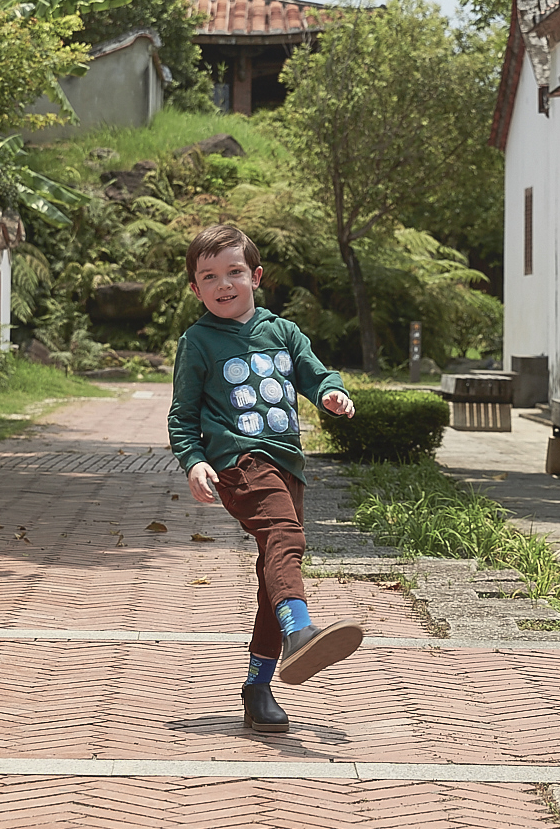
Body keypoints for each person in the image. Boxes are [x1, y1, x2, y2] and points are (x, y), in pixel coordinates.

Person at [168, 224, 363, 733]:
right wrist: (194, 460)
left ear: (256, 276)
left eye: (234, 272)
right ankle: (300, 630)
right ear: (195, 288)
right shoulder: (198, 341)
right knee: (285, 537)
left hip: (288, 463)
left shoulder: (284, 332)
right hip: (240, 463)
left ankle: (258, 686)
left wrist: (330, 393)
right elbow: (183, 415)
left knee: (271, 576)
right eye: (208, 276)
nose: (223, 284)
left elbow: (316, 374)